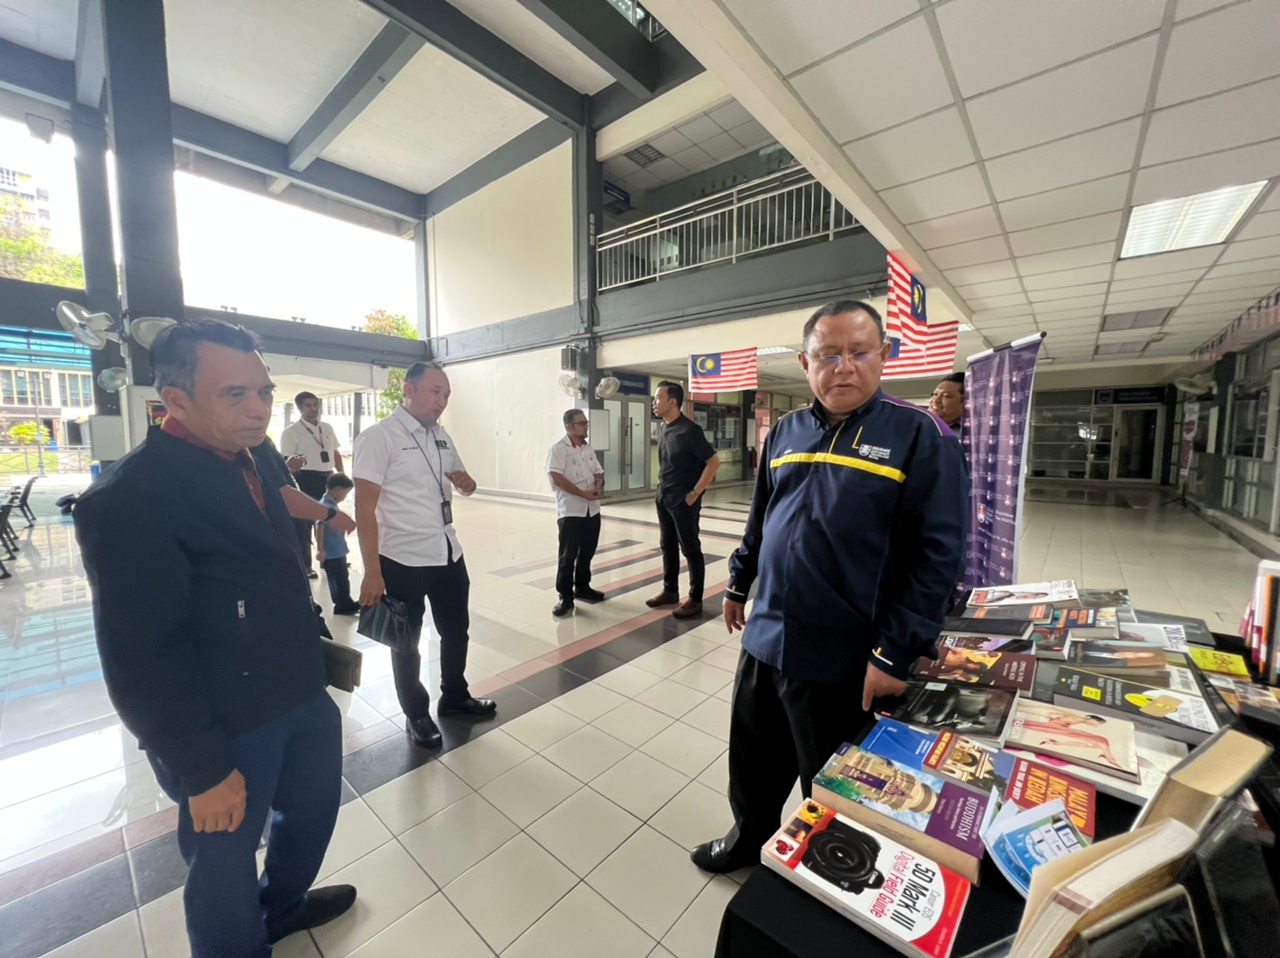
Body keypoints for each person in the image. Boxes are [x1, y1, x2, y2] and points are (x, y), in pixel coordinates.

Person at [74, 319, 354, 957]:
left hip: (300, 689)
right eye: (236, 394)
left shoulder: (251, 453)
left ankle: (280, 907)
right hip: (224, 719)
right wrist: (200, 768)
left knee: (312, 814)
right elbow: (139, 656)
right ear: (176, 401)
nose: (259, 408)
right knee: (222, 859)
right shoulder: (131, 497)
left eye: (264, 391)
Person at [691, 299, 967, 873]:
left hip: (846, 656)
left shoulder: (920, 436)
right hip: (766, 639)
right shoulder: (788, 431)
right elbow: (762, 518)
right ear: (804, 361)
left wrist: (896, 651)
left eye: (859, 352)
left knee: (836, 781)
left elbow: (937, 556)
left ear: (884, 357)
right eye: (828, 354)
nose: (843, 367)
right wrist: (739, 581)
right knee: (754, 762)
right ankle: (749, 838)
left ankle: (836, 874)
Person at [352, 361, 495, 750]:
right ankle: (416, 713)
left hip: (448, 552)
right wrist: (372, 571)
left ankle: (455, 696)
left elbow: (462, 483)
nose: (442, 401)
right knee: (406, 643)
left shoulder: (442, 437)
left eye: (447, 394)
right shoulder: (378, 438)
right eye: (436, 391)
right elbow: (364, 510)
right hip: (402, 558)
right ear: (409, 390)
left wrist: (467, 484)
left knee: (456, 631)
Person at [647, 380, 719, 619]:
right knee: (667, 545)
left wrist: (695, 493)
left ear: (672, 401)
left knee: (690, 548)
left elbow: (713, 463)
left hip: (683, 500)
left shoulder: (690, 430)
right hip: (664, 495)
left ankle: (695, 598)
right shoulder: (665, 427)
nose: (654, 402)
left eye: (658, 398)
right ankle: (670, 591)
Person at [547, 408, 606, 617]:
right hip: (571, 510)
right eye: (581, 424)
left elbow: (598, 471)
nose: (585, 427)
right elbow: (556, 478)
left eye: (586, 423)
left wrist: (598, 484)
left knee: (587, 551)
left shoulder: (587, 449)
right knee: (568, 555)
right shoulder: (559, 449)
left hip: (592, 510)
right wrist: (582, 494)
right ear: (569, 427)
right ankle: (565, 596)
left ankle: (582, 587)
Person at [281, 392, 343, 577]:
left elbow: (335, 452)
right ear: (299, 408)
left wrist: (341, 475)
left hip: (328, 478)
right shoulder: (291, 432)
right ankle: (307, 565)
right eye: (307, 405)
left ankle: (331, 558)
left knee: (330, 519)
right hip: (306, 479)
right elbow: (286, 463)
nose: (313, 409)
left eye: (315, 404)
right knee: (305, 523)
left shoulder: (327, 427)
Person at [317, 473, 359, 615]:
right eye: (345, 494)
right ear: (338, 490)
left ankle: (345, 602)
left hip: (337, 551)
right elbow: (320, 527)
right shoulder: (325, 507)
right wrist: (320, 549)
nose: (345, 497)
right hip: (331, 551)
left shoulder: (330, 504)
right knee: (337, 581)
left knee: (342, 578)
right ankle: (342, 605)